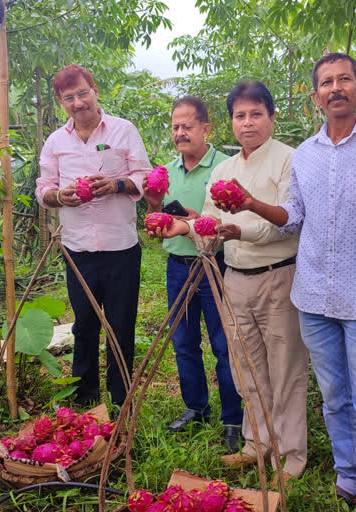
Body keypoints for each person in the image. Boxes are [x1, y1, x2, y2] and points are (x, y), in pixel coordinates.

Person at [227, 54, 356, 511]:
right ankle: (348, 472)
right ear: (315, 96)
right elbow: (292, 219)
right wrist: (250, 202)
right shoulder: (306, 155)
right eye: (326, 82)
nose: (335, 88)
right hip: (315, 297)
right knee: (334, 399)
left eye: (345, 80)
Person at [147, 81, 309, 490]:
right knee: (245, 366)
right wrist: (174, 226)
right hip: (234, 279)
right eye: (241, 115)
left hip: (279, 275)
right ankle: (256, 442)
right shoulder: (224, 171)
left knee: (285, 369)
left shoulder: (291, 160)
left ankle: (291, 458)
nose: (248, 122)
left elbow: (288, 221)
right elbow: (208, 226)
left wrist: (238, 224)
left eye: (256, 114)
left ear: (271, 117)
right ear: (232, 123)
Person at [35, 64, 152, 407]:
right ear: (61, 101)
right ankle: (85, 399)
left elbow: (145, 177)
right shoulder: (56, 142)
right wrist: (61, 196)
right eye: (69, 97)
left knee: (121, 325)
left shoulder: (122, 131)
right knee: (84, 326)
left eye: (83, 93)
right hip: (78, 249)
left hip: (121, 248)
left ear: (95, 90)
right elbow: (44, 188)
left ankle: (120, 399)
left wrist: (116, 185)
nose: (78, 103)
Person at [142, 96, 242, 451]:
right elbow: (158, 213)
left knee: (224, 344)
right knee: (184, 343)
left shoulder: (227, 167)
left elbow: (228, 220)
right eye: (175, 127)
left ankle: (234, 418)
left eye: (187, 126)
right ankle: (195, 407)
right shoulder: (165, 171)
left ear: (205, 128)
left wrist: (186, 219)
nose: (180, 133)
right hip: (178, 266)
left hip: (216, 265)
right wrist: (154, 209)